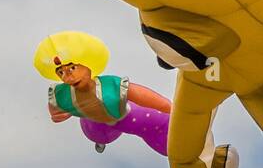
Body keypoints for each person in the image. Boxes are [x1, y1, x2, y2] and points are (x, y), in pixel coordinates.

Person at [35, 31, 171, 155]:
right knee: (96, 131)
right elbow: (55, 105)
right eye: (61, 73)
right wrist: (56, 114)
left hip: (121, 115)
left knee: (152, 122)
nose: (68, 77)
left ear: (87, 66)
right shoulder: (62, 94)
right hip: (95, 124)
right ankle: (100, 139)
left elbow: (140, 95)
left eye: (73, 68)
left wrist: (170, 108)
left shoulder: (110, 87)